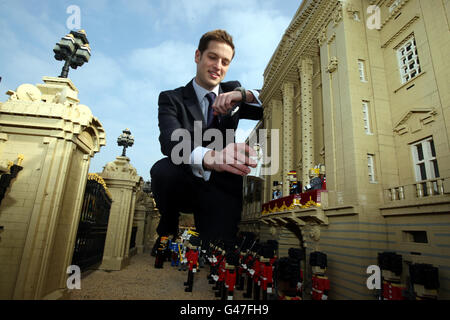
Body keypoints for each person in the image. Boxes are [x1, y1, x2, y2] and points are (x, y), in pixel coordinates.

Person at [150, 29, 263, 242]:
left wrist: (243, 94)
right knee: (162, 170)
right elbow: (170, 140)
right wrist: (212, 157)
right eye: (212, 57)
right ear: (197, 56)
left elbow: (273, 97)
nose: (218, 66)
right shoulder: (172, 98)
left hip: (222, 185)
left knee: (220, 248)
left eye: (225, 62)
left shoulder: (234, 92)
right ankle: (168, 225)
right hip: (183, 182)